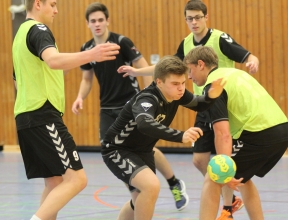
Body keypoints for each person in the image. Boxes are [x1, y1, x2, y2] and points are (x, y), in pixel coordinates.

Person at [117, 0, 260, 216]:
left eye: (198, 17)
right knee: (199, 160)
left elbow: (246, 55)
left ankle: (228, 208)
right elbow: (166, 67)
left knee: (224, 156)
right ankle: (226, 196)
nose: (194, 22)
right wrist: (138, 72)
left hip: (221, 105)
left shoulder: (219, 38)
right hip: (203, 107)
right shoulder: (186, 44)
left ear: (206, 17)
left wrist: (253, 61)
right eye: (189, 18)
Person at [71, 2, 189, 211]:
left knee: (146, 148)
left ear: (107, 21)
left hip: (131, 103)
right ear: (87, 24)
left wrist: (149, 100)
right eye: (93, 21)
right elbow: (87, 79)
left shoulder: (121, 42)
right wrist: (80, 97)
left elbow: (145, 68)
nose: (97, 24)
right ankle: (137, 193)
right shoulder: (87, 49)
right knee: (116, 151)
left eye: (100, 20)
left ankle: (173, 183)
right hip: (107, 109)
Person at [12, 0, 120, 220]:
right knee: (77, 179)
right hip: (42, 115)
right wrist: (92, 54)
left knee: (55, 183)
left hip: (26, 117)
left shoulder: (20, 35)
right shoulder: (38, 29)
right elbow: (52, 60)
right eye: (52, 4)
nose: (56, 10)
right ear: (38, 3)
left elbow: (18, 80)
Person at [102, 55, 225, 220]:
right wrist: (180, 136)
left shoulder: (176, 94)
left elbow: (199, 104)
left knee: (138, 199)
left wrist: (211, 96)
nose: (181, 88)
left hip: (142, 151)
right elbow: (144, 123)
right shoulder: (147, 99)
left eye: (183, 83)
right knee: (151, 186)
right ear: (159, 82)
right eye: (175, 84)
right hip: (118, 149)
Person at [184, 45, 288, 220]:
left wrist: (222, 172)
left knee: (213, 178)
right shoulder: (235, 73)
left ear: (201, 64)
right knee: (243, 180)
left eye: (190, 70)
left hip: (259, 134)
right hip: (282, 130)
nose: (189, 76)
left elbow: (223, 134)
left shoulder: (214, 86)